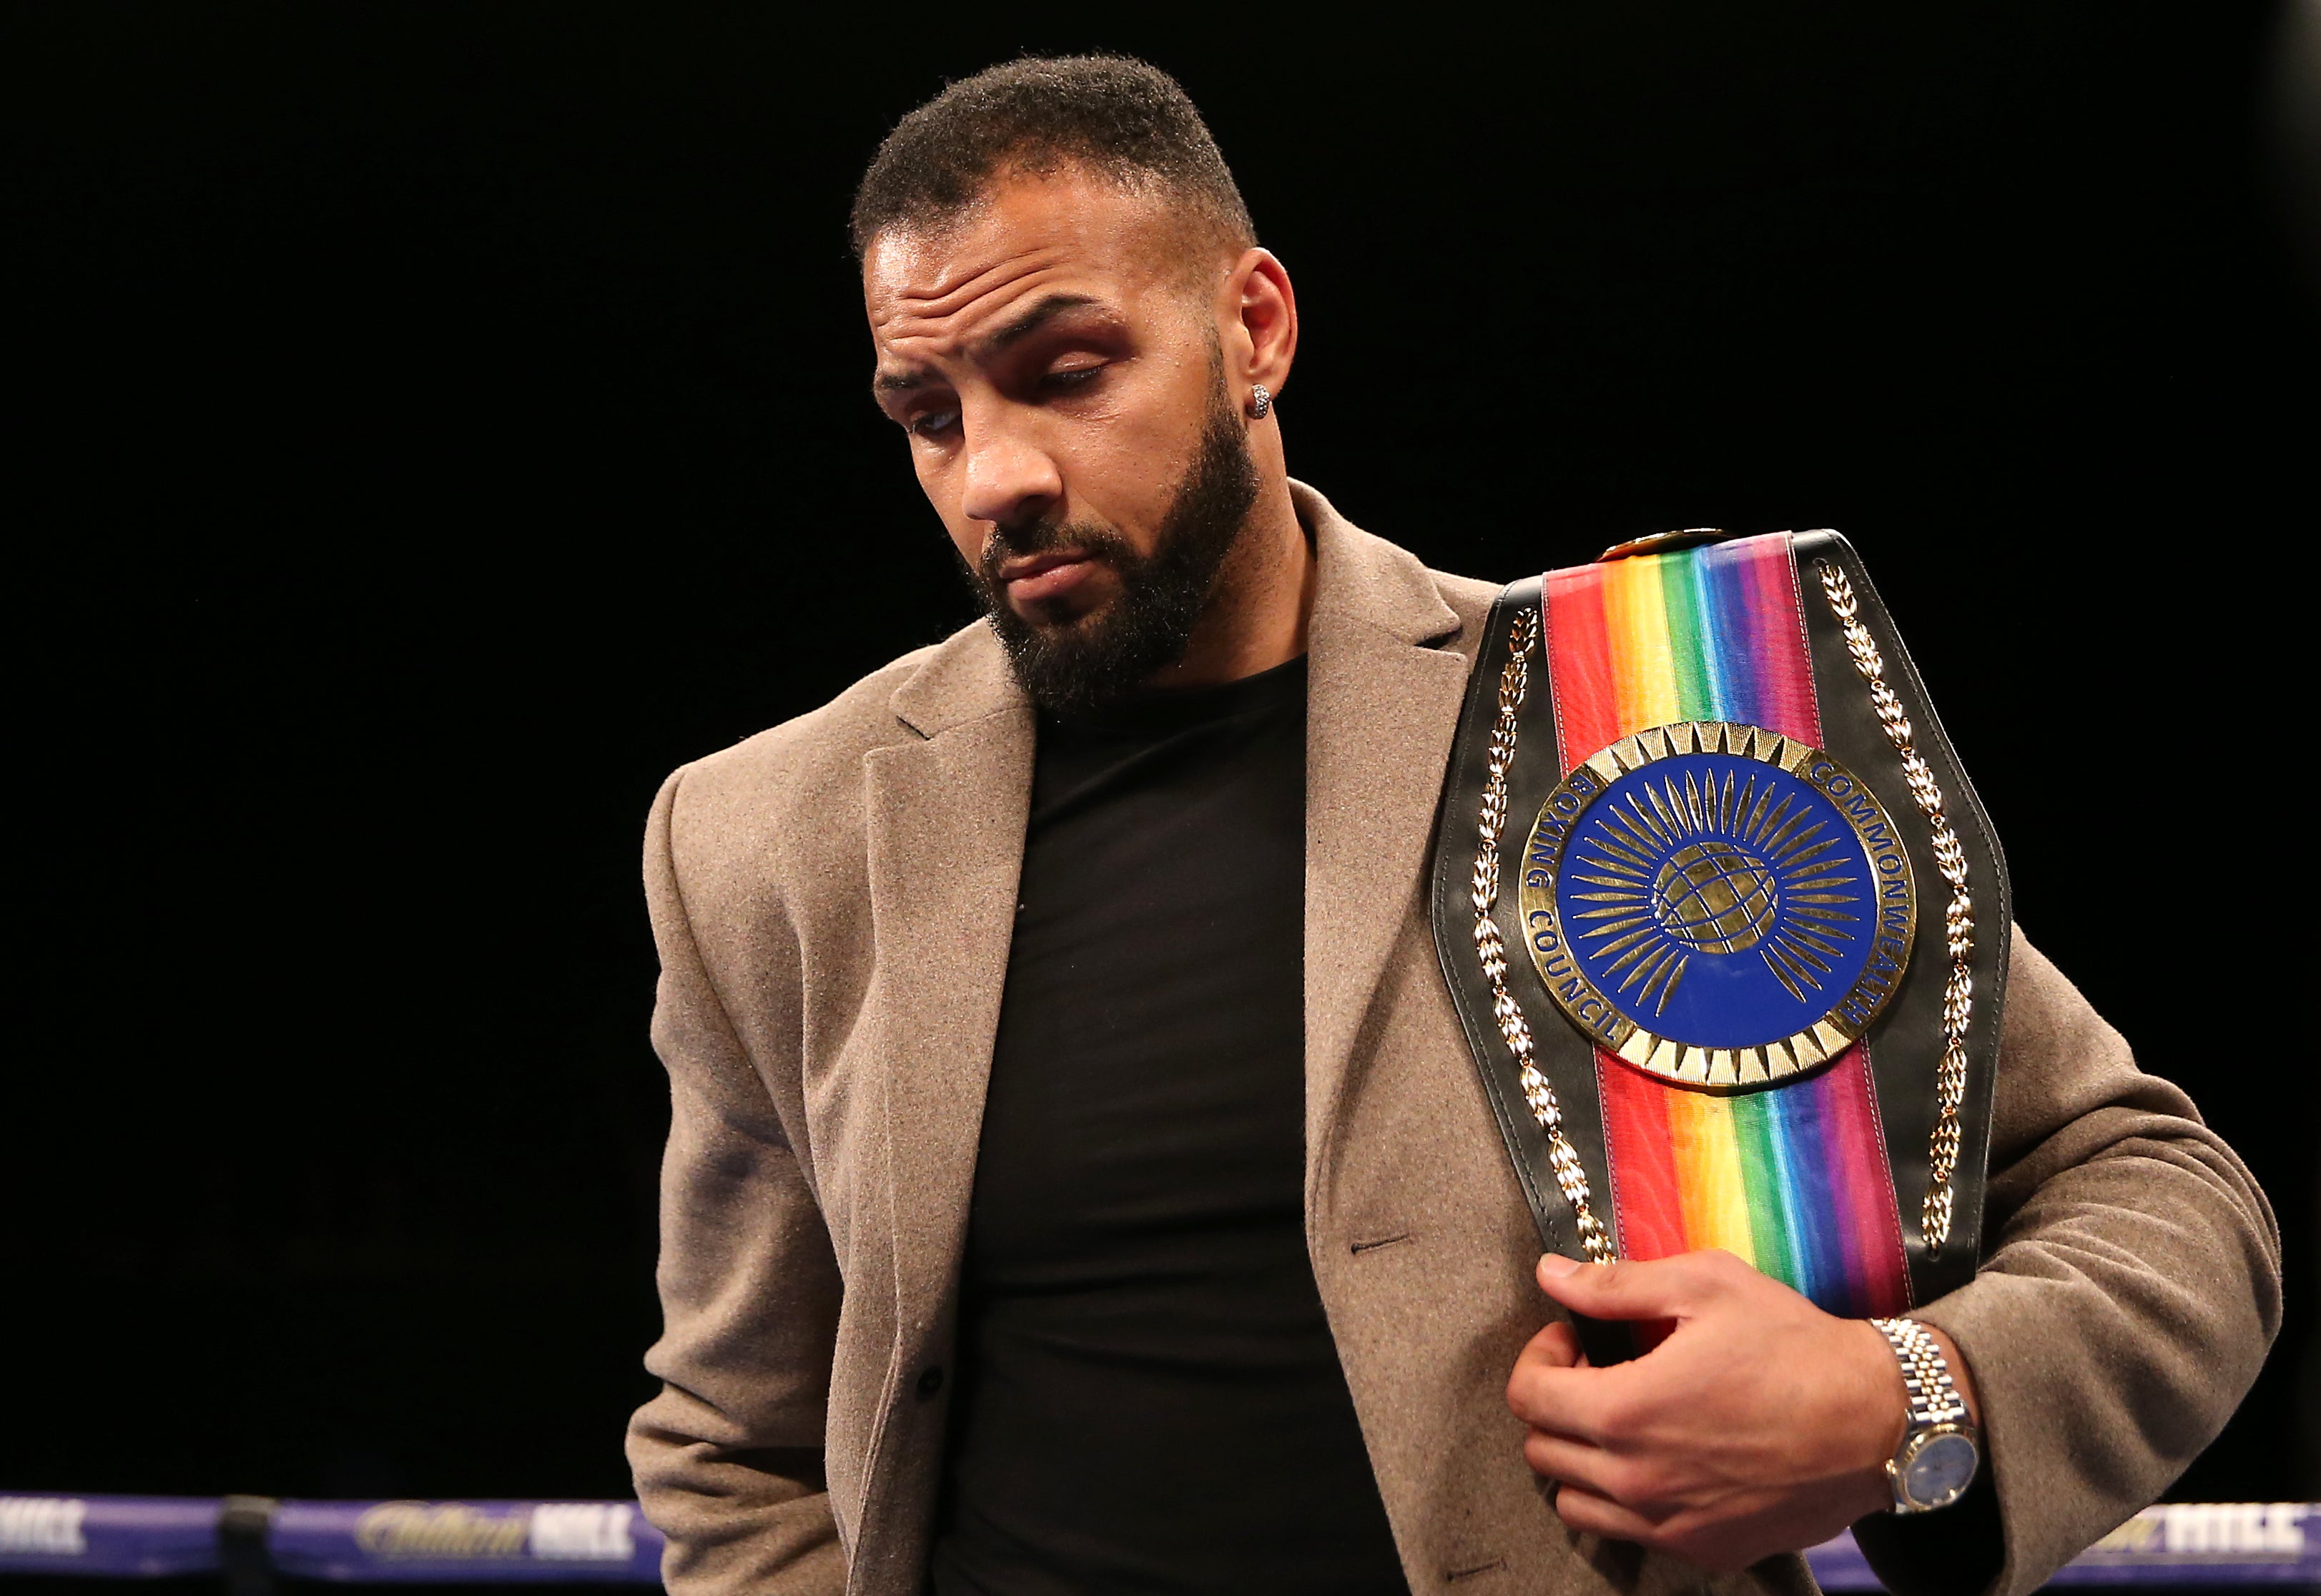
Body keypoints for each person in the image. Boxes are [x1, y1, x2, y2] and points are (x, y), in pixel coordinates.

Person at [624, 54, 2280, 1596]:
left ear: (1254, 328)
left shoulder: (1626, 716)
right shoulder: (769, 837)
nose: (993, 476)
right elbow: (735, 1440)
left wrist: (1897, 1395)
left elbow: (2163, 1194)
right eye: (928, 415)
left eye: (1066, 373)